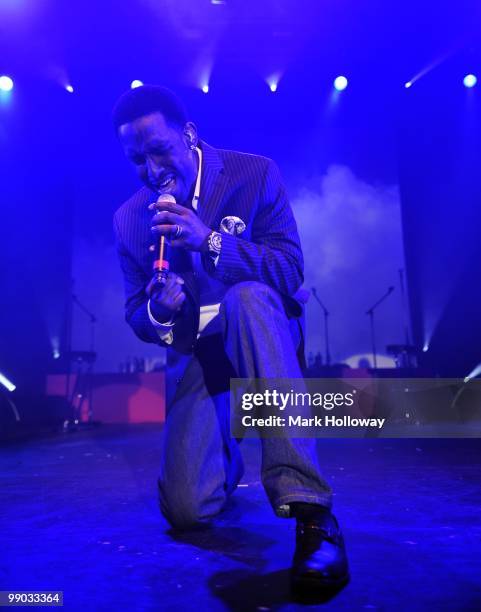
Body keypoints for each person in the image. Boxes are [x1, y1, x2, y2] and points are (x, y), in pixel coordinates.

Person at [112, 85, 349, 594]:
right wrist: (160, 309)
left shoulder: (253, 175)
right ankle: (226, 448)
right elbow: (137, 314)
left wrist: (210, 241)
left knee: (247, 298)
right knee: (187, 512)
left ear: (190, 134)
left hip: (262, 332)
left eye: (159, 150)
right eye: (137, 160)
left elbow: (288, 270)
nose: (152, 170)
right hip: (200, 352)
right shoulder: (130, 219)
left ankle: (312, 515)